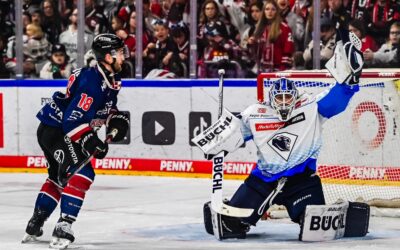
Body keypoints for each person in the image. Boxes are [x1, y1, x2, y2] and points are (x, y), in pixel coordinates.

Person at [199, 28, 368, 240]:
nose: (285, 102)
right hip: (263, 180)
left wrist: (349, 79)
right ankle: (236, 214)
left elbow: (337, 98)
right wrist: (217, 140)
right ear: (271, 100)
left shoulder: (311, 107)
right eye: (280, 99)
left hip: (301, 181)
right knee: (229, 226)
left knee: (314, 228)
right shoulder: (255, 114)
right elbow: (234, 134)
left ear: (296, 97)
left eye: (289, 98)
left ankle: (340, 215)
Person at [21, 33, 130, 249]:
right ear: (107, 57)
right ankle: (64, 225)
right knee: (83, 173)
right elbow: (73, 121)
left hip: (50, 128)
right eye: (118, 53)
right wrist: (91, 141)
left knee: (58, 178)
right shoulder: (92, 82)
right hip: (58, 130)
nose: (123, 57)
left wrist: (115, 119)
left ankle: (36, 222)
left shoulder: (107, 79)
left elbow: (104, 109)